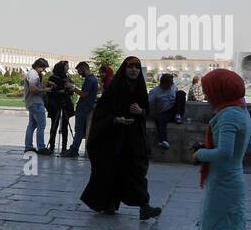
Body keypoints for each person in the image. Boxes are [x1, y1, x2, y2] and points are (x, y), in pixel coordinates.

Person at [193, 69, 251, 230]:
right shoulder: (241, 110)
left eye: (209, 90)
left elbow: (225, 152)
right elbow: (248, 146)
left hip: (223, 184)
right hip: (233, 180)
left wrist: (200, 153)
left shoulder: (228, 114)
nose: (207, 95)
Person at [79, 56, 162, 220]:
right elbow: (101, 112)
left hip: (134, 138)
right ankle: (109, 203)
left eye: (137, 67)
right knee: (112, 170)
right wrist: (116, 119)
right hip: (114, 138)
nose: (134, 70)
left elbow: (147, 111)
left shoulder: (139, 89)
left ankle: (144, 206)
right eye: (131, 67)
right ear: (124, 69)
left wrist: (141, 112)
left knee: (137, 170)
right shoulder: (115, 89)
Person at [64, 60, 99, 157]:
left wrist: (72, 87)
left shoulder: (90, 80)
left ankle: (74, 149)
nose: (79, 74)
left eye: (79, 71)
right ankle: (74, 148)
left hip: (84, 108)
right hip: (86, 107)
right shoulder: (92, 79)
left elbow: (84, 94)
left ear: (84, 68)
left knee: (79, 130)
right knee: (80, 130)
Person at [148, 72, 188, 148]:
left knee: (181, 93)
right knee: (160, 119)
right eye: (169, 84)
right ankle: (163, 141)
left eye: (171, 83)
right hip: (165, 112)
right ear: (163, 83)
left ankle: (178, 116)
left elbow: (179, 100)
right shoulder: (154, 92)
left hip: (176, 111)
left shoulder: (173, 87)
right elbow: (149, 104)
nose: (171, 85)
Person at [45, 61, 76, 154]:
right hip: (55, 105)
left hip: (65, 105)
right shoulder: (53, 78)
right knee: (54, 126)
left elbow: (71, 92)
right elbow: (49, 92)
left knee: (65, 127)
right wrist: (60, 91)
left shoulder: (67, 78)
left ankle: (64, 148)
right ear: (61, 67)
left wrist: (69, 89)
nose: (68, 68)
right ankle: (52, 146)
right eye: (66, 66)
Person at [24, 58, 52, 155]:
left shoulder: (33, 73)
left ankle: (28, 147)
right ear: (38, 66)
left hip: (32, 102)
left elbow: (37, 87)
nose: (43, 70)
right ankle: (41, 147)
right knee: (41, 125)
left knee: (32, 125)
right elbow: (33, 89)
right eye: (43, 68)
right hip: (36, 102)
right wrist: (46, 90)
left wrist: (45, 84)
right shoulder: (33, 74)